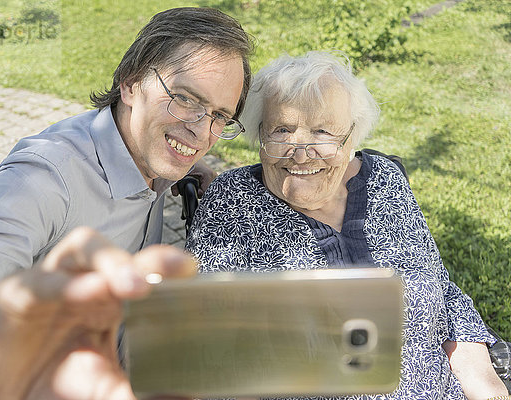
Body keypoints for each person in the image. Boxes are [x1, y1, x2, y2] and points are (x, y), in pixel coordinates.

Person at [0, 7, 253, 399]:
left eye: (219, 116)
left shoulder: (149, 148)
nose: (201, 129)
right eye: (184, 98)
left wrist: (186, 160)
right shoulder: (45, 178)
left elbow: (187, 134)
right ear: (131, 82)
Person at [185, 51, 509, 399]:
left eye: (322, 131)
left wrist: (482, 381)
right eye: (282, 130)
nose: (300, 152)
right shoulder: (233, 199)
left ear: (351, 138)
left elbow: (441, 289)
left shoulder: (384, 181)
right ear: (260, 135)